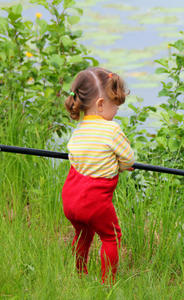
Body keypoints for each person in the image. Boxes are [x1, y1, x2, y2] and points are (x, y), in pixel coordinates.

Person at [61, 67, 134, 284]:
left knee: (83, 234)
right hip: (94, 201)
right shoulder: (112, 131)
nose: (116, 112)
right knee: (111, 237)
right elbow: (128, 160)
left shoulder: (78, 130)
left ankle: (79, 274)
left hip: (71, 198)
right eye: (115, 106)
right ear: (101, 104)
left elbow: (75, 159)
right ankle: (107, 285)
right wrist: (121, 166)